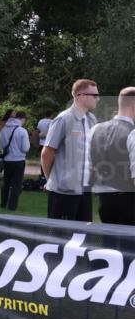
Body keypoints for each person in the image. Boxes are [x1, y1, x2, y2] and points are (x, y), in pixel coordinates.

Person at [41, 79, 99, 222]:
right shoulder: (63, 119)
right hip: (63, 192)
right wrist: (52, 181)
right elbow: (47, 153)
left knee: (82, 238)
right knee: (58, 238)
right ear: (81, 96)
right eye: (95, 95)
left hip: (85, 190)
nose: (98, 98)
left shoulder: (92, 120)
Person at [88, 87, 135, 225]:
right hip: (129, 201)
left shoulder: (95, 129)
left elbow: (89, 166)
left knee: (108, 245)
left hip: (104, 201)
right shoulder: (132, 133)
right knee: (129, 246)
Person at [0, 110, 30, 211]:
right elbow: (26, 148)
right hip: (19, 160)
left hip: (7, 160)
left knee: (6, 183)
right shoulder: (22, 131)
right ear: (22, 119)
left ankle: (3, 203)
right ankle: (12, 206)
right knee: (16, 184)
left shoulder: (3, 130)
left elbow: (1, 147)